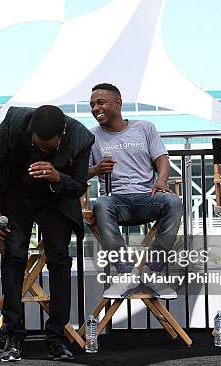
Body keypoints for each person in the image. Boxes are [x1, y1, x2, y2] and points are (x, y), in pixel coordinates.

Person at [0, 105, 94, 361]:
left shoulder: (81, 137)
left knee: (60, 260)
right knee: (13, 257)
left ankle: (56, 337)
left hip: (55, 201)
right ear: (31, 130)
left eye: (49, 148)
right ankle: (13, 335)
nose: (42, 151)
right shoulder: (14, 121)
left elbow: (78, 186)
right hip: (16, 197)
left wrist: (57, 177)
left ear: (62, 133)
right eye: (38, 145)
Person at [88, 83, 182, 299]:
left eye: (100, 103)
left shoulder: (145, 127)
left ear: (118, 103)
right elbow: (80, 174)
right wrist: (96, 169)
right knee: (101, 204)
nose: (95, 108)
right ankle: (126, 273)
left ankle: (153, 271)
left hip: (147, 196)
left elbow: (162, 159)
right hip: (115, 200)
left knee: (174, 202)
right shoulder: (91, 136)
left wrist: (162, 180)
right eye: (92, 105)